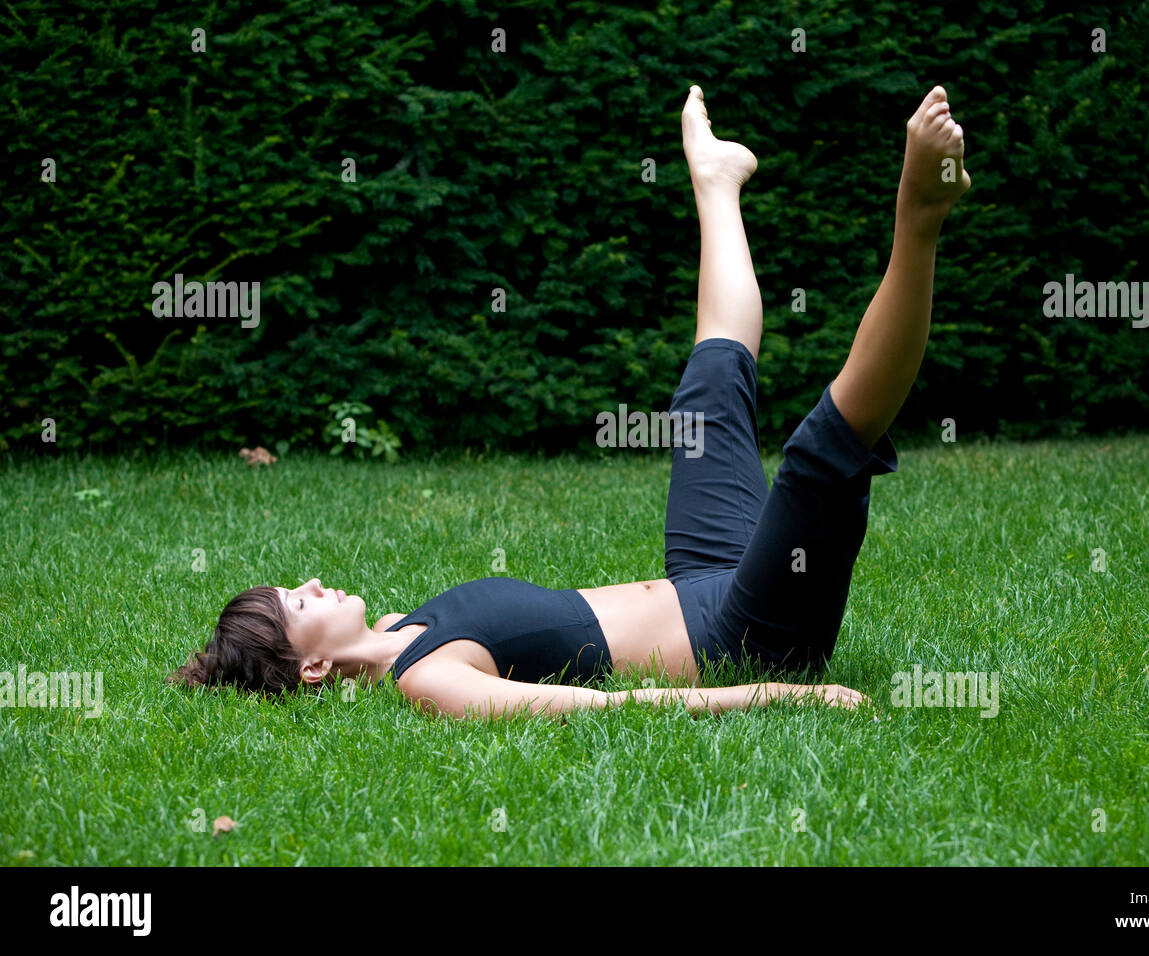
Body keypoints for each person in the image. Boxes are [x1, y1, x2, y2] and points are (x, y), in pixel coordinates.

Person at [169, 84, 970, 720]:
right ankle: (921, 217)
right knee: (822, 451)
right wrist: (783, 693)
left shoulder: (406, 627)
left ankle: (715, 181)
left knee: (705, 396)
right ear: (311, 666)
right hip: (751, 636)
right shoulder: (424, 681)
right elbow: (605, 709)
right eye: (296, 603)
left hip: (712, 580)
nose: (311, 583)